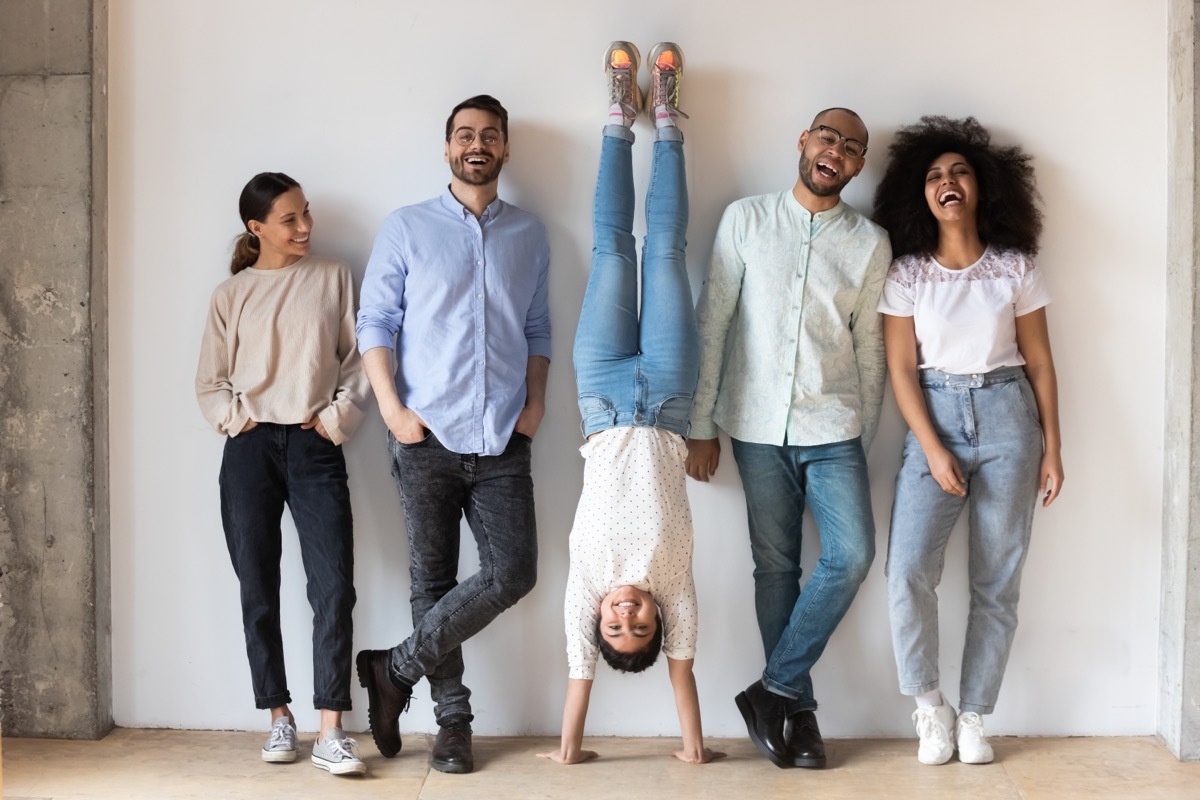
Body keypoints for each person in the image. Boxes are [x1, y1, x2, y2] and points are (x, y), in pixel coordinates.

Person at [686, 108, 891, 769]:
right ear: (804, 142)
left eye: (852, 147)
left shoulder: (870, 243)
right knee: (776, 568)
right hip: (753, 425)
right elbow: (713, 323)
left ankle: (770, 689)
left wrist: (864, 434)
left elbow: (870, 349)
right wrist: (700, 424)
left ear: (858, 165)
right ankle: (797, 715)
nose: (837, 151)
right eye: (828, 137)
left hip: (834, 429)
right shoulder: (745, 219)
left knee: (852, 554)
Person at [354, 94, 551, 775]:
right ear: (446, 149)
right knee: (431, 580)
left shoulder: (530, 233)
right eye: (464, 134)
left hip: (503, 437)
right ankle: (453, 724)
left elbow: (537, 327)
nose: (477, 145)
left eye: (489, 135)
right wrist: (392, 409)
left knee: (513, 573)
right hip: (424, 434)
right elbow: (375, 322)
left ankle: (394, 668)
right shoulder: (407, 226)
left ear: (505, 149)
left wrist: (536, 402)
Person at [537, 41, 722, 767]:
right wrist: (693, 750)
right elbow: (683, 675)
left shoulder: (586, 586)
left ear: (596, 620)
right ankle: (667, 118)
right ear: (660, 620)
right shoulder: (673, 587)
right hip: (671, 395)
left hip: (603, 394)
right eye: (640, 626)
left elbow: (578, 679)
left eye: (615, 627)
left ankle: (619, 117)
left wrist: (568, 753)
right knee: (667, 248)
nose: (626, 616)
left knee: (613, 247)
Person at [872, 116, 1063, 766]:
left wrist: (1054, 448)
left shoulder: (1014, 267)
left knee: (997, 579)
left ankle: (976, 714)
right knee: (907, 572)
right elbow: (902, 370)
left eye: (958, 172)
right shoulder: (907, 274)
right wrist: (931, 447)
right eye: (933, 176)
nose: (946, 182)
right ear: (920, 194)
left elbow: (1040, 363)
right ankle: (931, 709)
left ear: (982, 187)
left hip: (1011, 418)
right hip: (935, 416)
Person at [195, 172, 370, 776]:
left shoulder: (333, 276)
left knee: (334, 586)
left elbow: (357, 360)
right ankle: (278, 716)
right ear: (257, 228)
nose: (304, 227)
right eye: (290, 219)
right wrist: (237, 420)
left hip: (313, 444)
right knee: (257, 585)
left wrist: (335, 420)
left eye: (306, 214)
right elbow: (210, 381)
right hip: (248, 451)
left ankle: (331, 728)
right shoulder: (231, 294)